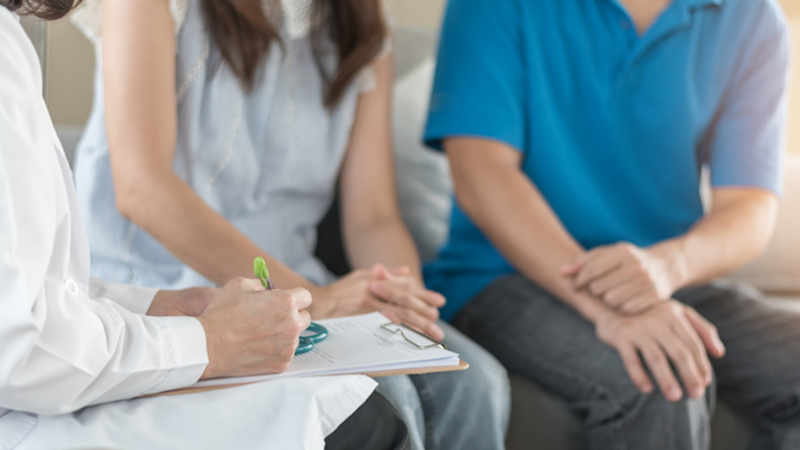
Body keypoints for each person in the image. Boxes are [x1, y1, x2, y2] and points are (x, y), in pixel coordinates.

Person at [69, 0, 510, 448]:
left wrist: (403, 299)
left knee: (477, 384)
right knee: (384, 392)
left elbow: (374, 216)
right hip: (168, 297)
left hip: (301, 293)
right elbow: (144, 191)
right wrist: (316, 298)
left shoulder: (361, 22)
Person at [0, 1, 411, 449]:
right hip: (62, 375)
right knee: (371, 411)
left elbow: (37, 296)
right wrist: (212, 339)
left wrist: (161, 307)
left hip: (217, 307)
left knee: (453, 384)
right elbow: (22, 342)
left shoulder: (11, 44)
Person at [423, 0, 799, 448]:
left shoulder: (752, 18)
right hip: (502, 276)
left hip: (657, 276)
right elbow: (481, 173)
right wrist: (610, 304)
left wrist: (664, 268)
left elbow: (749, 208)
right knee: (655, 376)